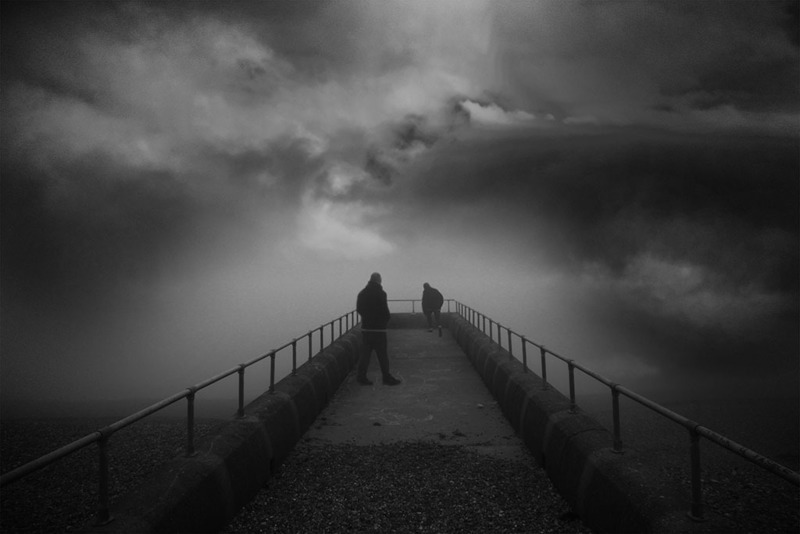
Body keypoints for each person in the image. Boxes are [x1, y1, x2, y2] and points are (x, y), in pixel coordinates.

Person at [356, 272, 401, 386]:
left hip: (366, 329)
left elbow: (359, 309)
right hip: (379, 330)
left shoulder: (362, 293)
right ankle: (386, 377)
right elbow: (385, 310)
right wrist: (384, 321)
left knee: (365, 355)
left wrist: (367, 319)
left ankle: (361, 377)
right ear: (379, 280)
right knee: (382, 356)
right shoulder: (381, 293)